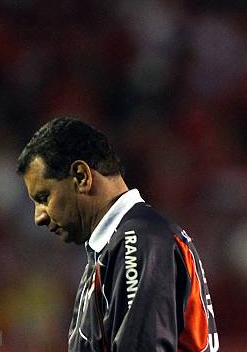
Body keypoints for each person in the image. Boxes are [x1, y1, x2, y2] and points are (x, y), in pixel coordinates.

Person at [16, 117, 219, 351]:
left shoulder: (139, 241)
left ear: (81, 176)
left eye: (44, 198)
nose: (38, 217)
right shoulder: (116, 247)